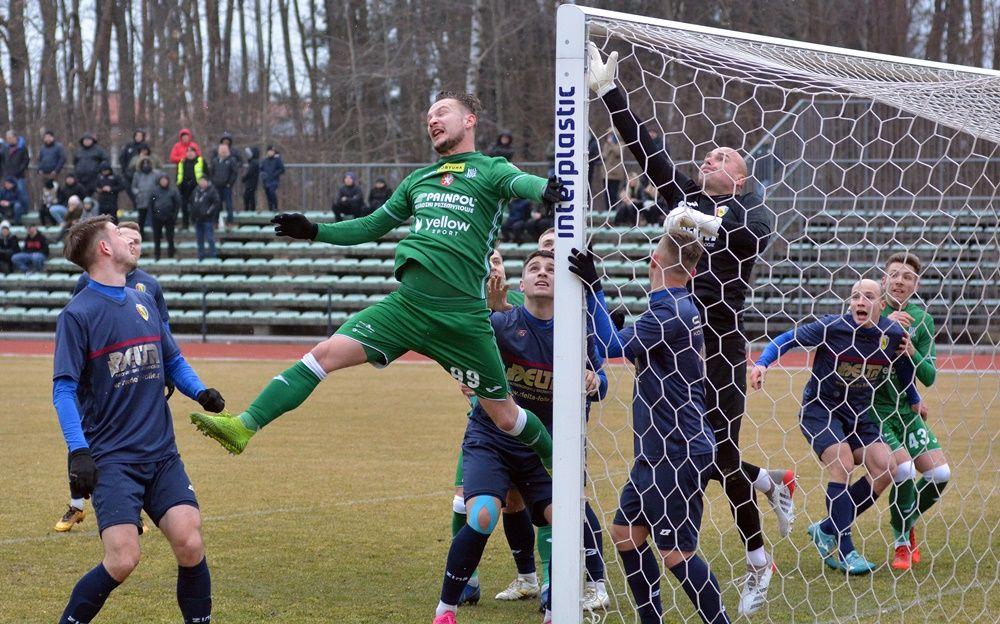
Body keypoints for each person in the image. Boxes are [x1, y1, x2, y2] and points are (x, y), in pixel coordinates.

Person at [189, 93, 563, 498]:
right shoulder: (417, 180)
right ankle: (244, 425)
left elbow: (520, 182)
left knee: (506, 418)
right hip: (406, 306)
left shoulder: (491, 169)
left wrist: (547, 188)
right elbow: (370, 225)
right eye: (428, 115)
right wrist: (316, 231)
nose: (432, 120)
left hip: (462, 318)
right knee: (324, 353)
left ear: (470, 120)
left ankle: (555, 459)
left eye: (442, 112)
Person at [588, 44, 792, 614]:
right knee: (695, 460)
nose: (710, 156)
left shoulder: (754, 214)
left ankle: (757, 561)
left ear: (744, 177)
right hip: (673, 339)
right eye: (708, 152)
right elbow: (648, 155)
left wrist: (693, 217)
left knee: (716, 455)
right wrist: (612, 95)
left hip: (719, 347)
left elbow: (737, 233)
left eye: (725, 155)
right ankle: (767, 485)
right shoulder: (689, 203)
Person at [53, 215, 225, 624]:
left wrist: (199, 391)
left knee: (189, 540)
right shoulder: (77, 315)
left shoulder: (145, 299)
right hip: (112, 458)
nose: (130, 240)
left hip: (162, 453)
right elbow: (63, 390)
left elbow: (173, 359)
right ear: (104, 249)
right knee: (123, 558)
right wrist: (79, 453)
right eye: (118, 234)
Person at [434, 250, 607, 624]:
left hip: (544, 448)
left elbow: (600, 370)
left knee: (562, 517)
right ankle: (445, 609)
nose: (543, 273)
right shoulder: (500, 323)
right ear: (522, 285)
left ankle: (556, 600)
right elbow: (462, 354)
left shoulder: (575, 330)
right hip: (491, 439)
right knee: (481, 514)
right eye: (534, 269)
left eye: (551, 269)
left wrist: (595, 379)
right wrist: (468, 376)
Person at [569, 232, 730, 624]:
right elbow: (625, 342)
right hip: (658, 449)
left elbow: (609, 346)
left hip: (677, 448)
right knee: (626, 534)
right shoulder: (677, 306)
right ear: (691, 272)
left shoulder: (669, 311)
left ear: (653, 263)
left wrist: (594, 289)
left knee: (676, 552)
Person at [750, 279, 925, 575]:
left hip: (859, 412)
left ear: (882, 305)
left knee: (887, 468)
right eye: (855, 296)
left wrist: (914, 399)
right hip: (821, 409)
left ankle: (828, 527)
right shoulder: (833, 327)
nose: (860, 301)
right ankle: (845, 549)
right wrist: (762, 363)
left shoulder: (893, 334)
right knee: (842, 464)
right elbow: (788, 338)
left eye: (869, 297)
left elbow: (904, 366)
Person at [56, 221, 172, 532]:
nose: (131, 244)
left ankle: (131, 511)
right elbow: (83, 321)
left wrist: (169, 368)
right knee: (85, 436)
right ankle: (77, 503)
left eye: (136, 240)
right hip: (98, 384)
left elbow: (164, 331)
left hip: (140, 378)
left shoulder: (149, 287)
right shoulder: (85, 290)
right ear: (107, 246)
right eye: (124, 237)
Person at [874, 253, 949, 570]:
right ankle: (902, 542)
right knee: (903, 471)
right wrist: (882, 328)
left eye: (907, 276)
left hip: (905, 410)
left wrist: (912, 350)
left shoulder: (923, 319)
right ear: (884, 280)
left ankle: (904, 519)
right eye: (894, 274)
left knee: (939, 475)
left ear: (915, 285)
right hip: (874, 410)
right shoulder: (870, 309)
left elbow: (929, 376)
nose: (900, 281)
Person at [149, 175, 181, 260]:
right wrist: (154, 215)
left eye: (165, 180)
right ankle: (157, 255)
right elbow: (151, 204)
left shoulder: (172, 191)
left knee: (170, 237)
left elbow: (177, 205)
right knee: (157, 238)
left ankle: (171, 254)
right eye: (162, 180)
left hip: (169, 218)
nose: (164, 182)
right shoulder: (155, 191)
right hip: (157, 218)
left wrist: (174, 216)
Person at [209, 142, 240, 226]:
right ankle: (215, 221)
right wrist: (213, 182)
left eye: (224, 151)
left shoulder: (231, 160)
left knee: (228, 204)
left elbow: (234, 173)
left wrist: (230, 183)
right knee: (217, 204)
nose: (223, 152)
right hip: (216, 186)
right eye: (221, 150)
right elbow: (211, 172)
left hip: (226, 186)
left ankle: (230, 221)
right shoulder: (215, 161)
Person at [191, 176, 221, 260]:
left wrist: (208, 212)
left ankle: (213, 256)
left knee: (210, 238)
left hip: (207, 219)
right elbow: (192, 203)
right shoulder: (196, 191)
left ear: (207, 182)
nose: (202, 183)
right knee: (199, 239)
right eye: (200, 181)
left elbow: (216, 203)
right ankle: (201, 256)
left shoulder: (212, 191)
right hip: (197, 219)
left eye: (203, 181)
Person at [131, 155, 161, 236]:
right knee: (142, 218)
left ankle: (157, 234)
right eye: (143, 163)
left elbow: (159, 185)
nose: (145, 165)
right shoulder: (137, 174)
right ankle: (141, 235)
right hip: (142, 199)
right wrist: (138, 193)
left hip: (153, 199)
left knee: (155, 218)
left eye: (147, 163)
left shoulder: (156, 174)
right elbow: (134, 187)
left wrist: (156, 194)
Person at [119, 129, 149, 210]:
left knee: (140, 192)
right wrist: (124, 170)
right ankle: (135, 207)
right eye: (137, 135)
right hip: (128, 174)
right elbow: (122, 158)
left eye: (140, 136)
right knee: (130, 190)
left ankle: (140, 208)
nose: (138, 137)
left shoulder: (145, 147)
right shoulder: (129, 146)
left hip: (141, 175)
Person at [2, 130, 30, 211]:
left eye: (10, 138)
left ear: (15, 137)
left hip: (19, 175)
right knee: (8, 193)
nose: (8, 140)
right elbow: (3, 160)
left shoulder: (22, 148)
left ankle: (25, 209)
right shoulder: (5, 148)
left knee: (22, 192)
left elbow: (25, 161)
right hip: (8, 176)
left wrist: (18, 171)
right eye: (7, 138)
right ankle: (11, 211)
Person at [176, 146, 204, 230]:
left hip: (196, 187)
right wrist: (179, 184)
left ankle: (196, 223)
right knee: (184, 207)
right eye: (188, 152)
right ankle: (185, 224)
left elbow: (206, 174)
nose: (190, 154)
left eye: (192, 152)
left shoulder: (200, 161)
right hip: (184, 188)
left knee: (195, 206)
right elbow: (179, 174)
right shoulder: (182, 162)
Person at [260, 145, 285, 212]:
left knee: (272, 192)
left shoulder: (277, 160)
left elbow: (282, 169)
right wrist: (263, 174)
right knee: (268, 195)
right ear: (267, 152)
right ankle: (270, 209)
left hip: (274, 180)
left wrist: (275, 174)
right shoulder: (265, 160)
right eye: (270, 151)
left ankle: (275, 207)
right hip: (266, 181)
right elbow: (261, 169)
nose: (271, 152)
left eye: (272, 151)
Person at [242, 147, 260, 212]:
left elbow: (250, 172)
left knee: (248, 196)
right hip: (251, 183)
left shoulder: (254, 162)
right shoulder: (253, 162)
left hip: (251, 183)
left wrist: (244, 178)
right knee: (249, 196)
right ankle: (250, 209)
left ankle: (250, 210)